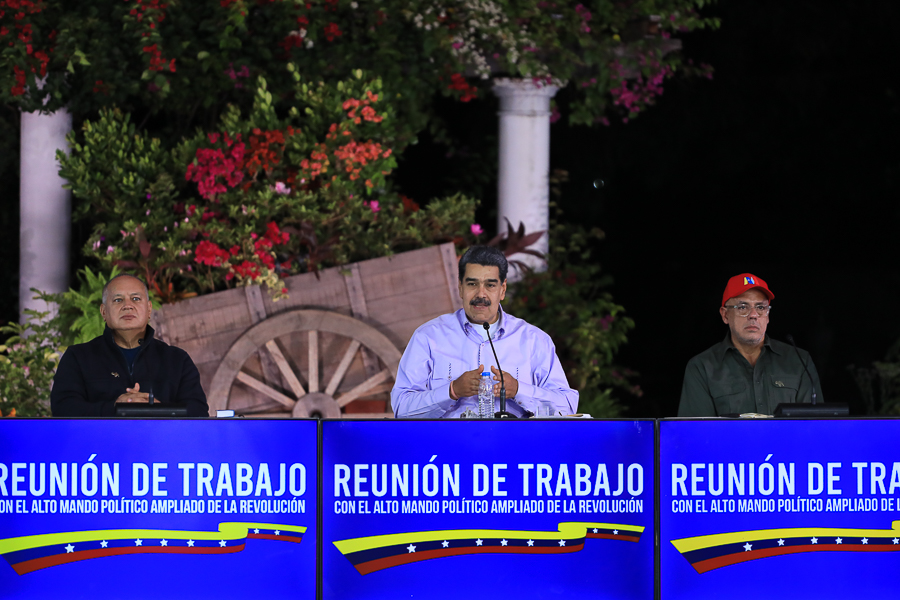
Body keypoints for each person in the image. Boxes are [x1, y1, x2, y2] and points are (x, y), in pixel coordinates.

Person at [391, 246, 578, 418]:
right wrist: (452, 391)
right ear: (460, 288)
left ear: (502, 290)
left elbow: (567, 407)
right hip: (448, 447)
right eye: (472, 284)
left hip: (513, 447)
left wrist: (518, 390)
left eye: (490, 285)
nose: (481, 294)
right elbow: (401, 407)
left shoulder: (534, 340)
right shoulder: (428, 337)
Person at [51, 274, 209, 417]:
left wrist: (158, 410)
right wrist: (115, 408)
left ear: (149, 309)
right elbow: (63, 409)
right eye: (118, 300)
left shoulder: (177, 359)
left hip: (159, 446)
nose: (128, 305)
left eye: (136, 299)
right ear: (104, 311)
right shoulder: (78, 357)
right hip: (101, 447)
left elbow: (199, 411)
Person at [678, 273, 823, 417]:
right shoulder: (702, 367)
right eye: (742, 307)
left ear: (768, 315)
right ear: (725, 315)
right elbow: (695, 433)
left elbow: (815, 428)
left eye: (760, 307)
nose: (753, 315)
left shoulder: (799, 361)